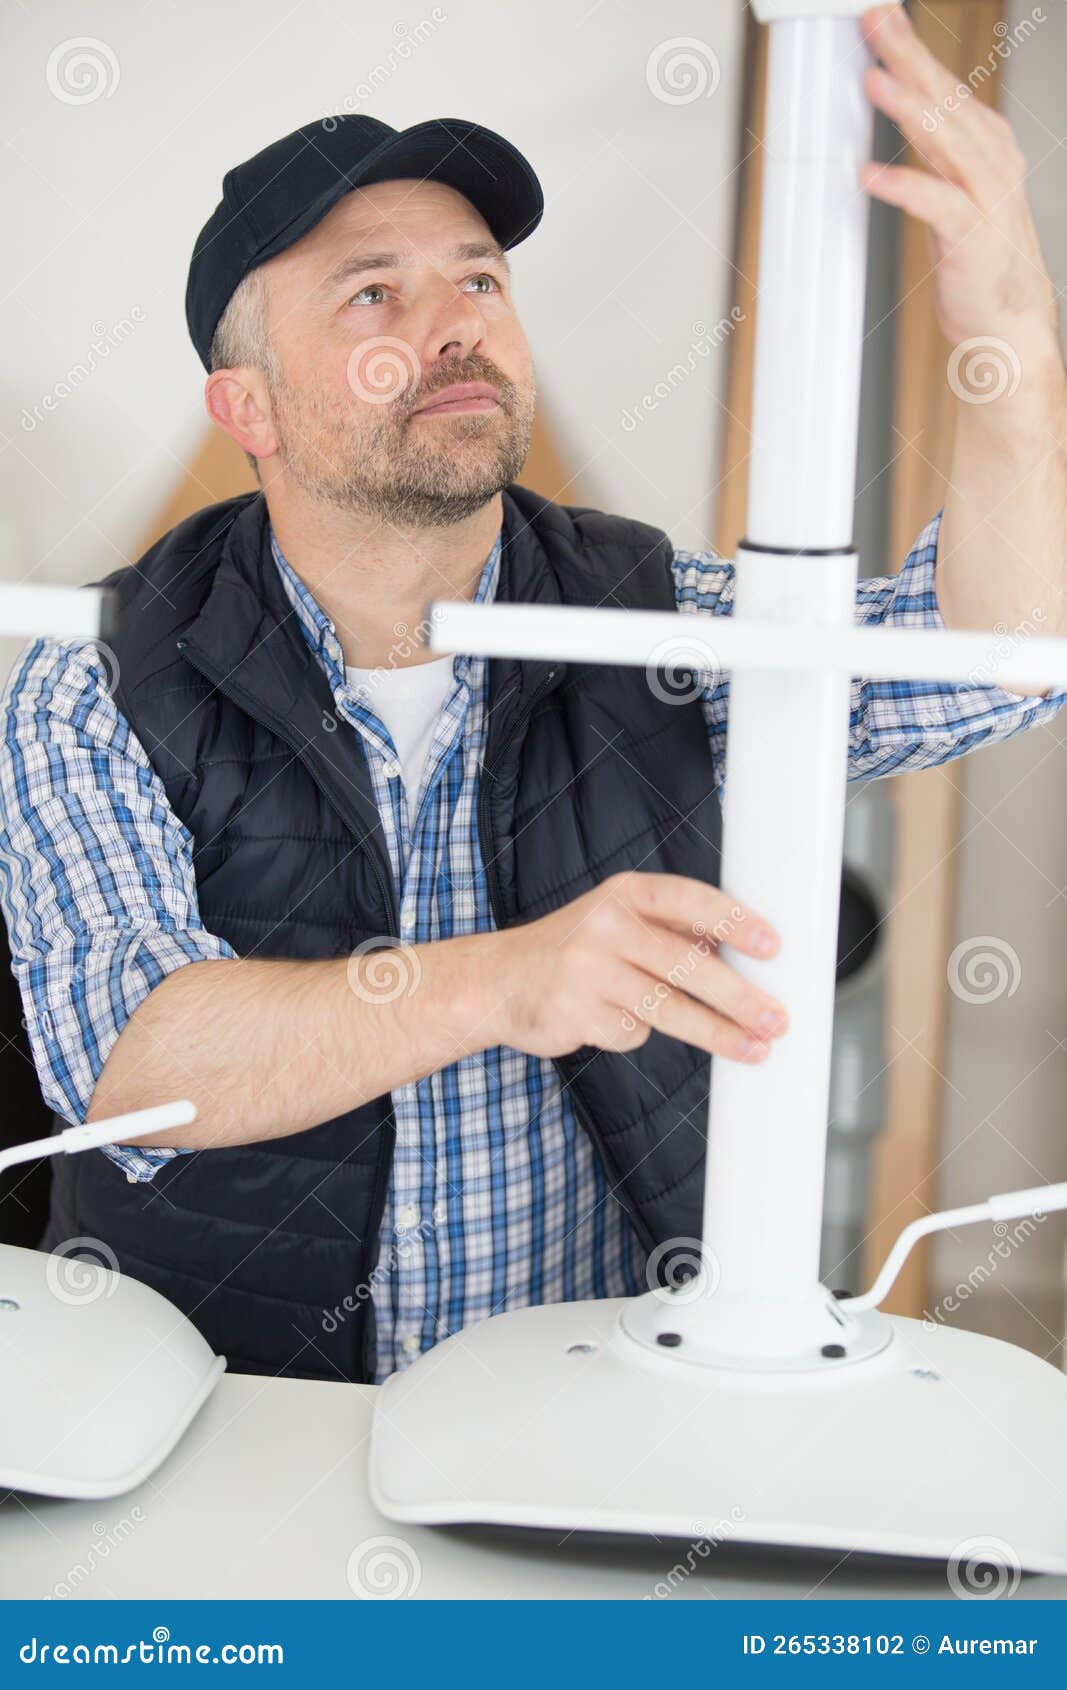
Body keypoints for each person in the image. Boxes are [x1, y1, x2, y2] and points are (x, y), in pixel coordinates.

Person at [0, 5, 1063, 1383]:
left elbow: (990, 664)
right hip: (231, 1415)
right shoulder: (90, 675)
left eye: (480, 280)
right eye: (373, 293)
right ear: (247, 409)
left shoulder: (654, 622)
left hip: (586, 1395)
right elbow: (131, 1068)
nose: (453, 326)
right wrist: (507, 979)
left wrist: (1016, 348)